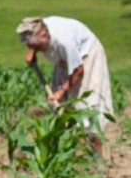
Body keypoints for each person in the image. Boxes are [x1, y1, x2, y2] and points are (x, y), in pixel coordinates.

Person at [17, 16, 113, 154]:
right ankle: (67, 153)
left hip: (87, 56)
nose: (31, 47)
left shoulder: (64, 41)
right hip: (65, 59)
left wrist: (61, 91)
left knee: (88, 109)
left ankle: (97, 159)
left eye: (34, 45)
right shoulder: (40, 28)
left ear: (44, 35)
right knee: (59, 107)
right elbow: (35, 39)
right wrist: (33, 51)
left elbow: (79, 70)